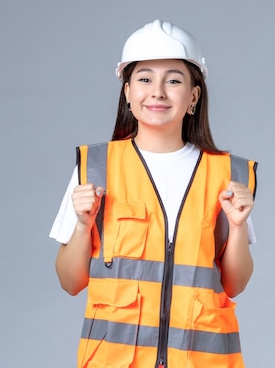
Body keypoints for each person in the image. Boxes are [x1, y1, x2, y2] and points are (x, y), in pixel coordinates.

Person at [49, 19, 258, 368]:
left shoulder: (228, 176)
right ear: (128, 91)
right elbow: (70, 282)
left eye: (174, 80)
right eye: (144, 79)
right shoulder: (95, 168)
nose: (158, 91)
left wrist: (237, 228)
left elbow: (234, 285)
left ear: (193, 96)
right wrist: (83, 227)